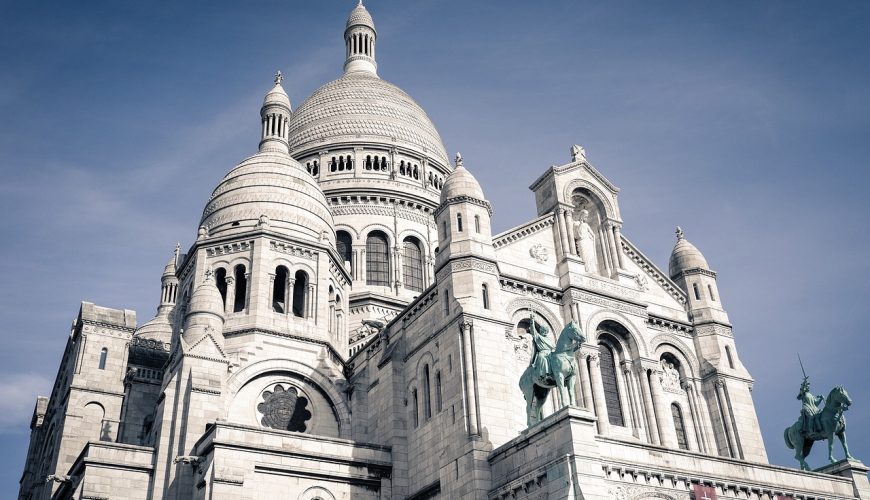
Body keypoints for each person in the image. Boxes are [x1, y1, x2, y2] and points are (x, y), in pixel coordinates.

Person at [528, 313, 555, 384]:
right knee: (543, 358)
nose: (542, 331)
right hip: (542, 352)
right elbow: (533, 330)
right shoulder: (538, 337)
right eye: (541, 330)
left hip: (550, 353)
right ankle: (546, 375)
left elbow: (554, 348)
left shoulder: (549, 340)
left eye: (543, 330)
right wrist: (532, 321)